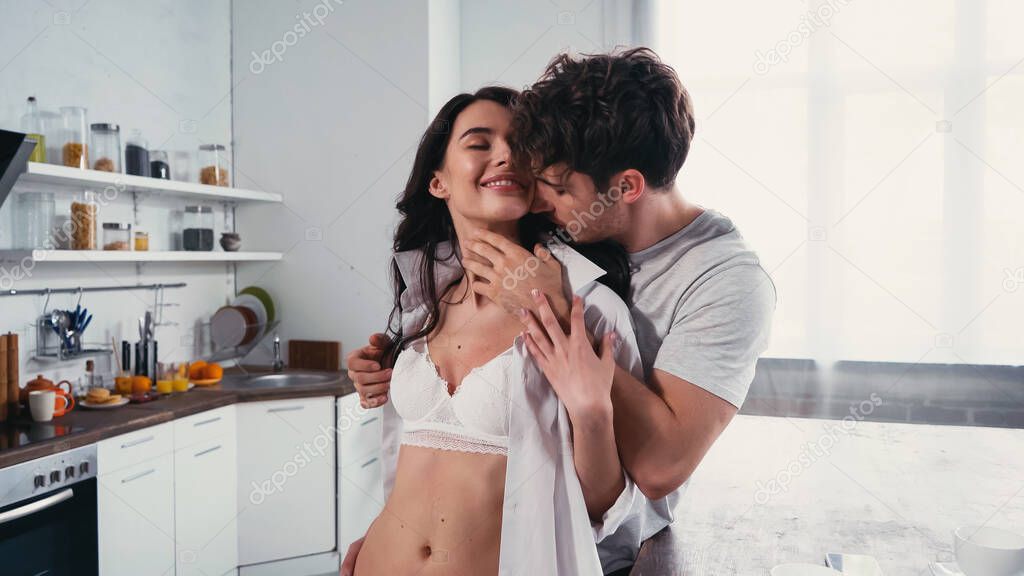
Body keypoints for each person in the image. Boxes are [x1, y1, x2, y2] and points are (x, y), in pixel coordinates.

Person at [348, 48, 777, 575]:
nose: (541, 198)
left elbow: (657, 468)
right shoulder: (458, 277)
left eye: (557, 186)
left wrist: (549, 310)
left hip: (588, 553)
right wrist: (383, 369)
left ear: (626, 187)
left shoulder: (694, 286)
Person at [345, 86, 647, 576]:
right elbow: (416, 468)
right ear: (438, 182)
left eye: (519, 145)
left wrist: (593, 412)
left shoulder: (587, 308)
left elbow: (604, 508)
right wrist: (376, 373)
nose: (505, 155)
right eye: (479, 143)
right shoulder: (419, 304)